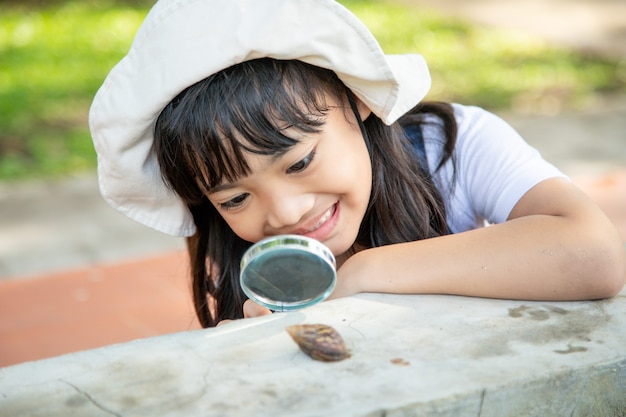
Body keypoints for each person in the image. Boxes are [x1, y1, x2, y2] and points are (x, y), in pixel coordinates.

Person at [90, 0, 625, 328]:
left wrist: (364, 274)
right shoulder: (250, 260)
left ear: (355, 99)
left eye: (298, 162)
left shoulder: (452, 147)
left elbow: (596, 256)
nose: (284, 213)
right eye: (234, 198)